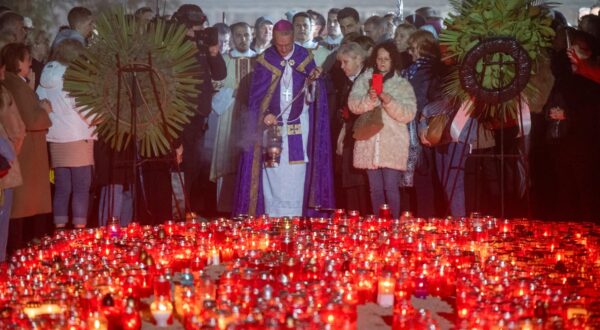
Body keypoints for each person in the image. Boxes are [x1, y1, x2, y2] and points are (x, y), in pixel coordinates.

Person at [234, 20, 334, 217]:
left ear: (293, 39)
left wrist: (313, 83)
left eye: (287, 45)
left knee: (296, 174)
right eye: (279, 45)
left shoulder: (305, 58)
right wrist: (264, 115)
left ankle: (295, 218)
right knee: (273, 171)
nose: (283, 49)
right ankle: (273, 218)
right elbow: (256, 99)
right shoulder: (266, 60)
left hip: (299, 125)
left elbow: (316, 96)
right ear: (274, 40)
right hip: (273, 129)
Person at [348, 41, 416, 218]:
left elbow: (408, 113)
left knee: (391, 187)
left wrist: (388, 100)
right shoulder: (364, 80)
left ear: (394, 60)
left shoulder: (402, 84)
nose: (383, 62)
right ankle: (378, 225)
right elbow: (353, 105)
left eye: (387, 59)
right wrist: (369, 99)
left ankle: (392, 224)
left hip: (392, 144)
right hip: (369, 143)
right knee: (375, 188)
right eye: (379, 58)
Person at [173, 4, 226, 217]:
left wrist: (213, 51)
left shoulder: (203, 45)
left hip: (199, 115)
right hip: (181, 114)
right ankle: (180, 210)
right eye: (195, 26)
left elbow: (220, 74)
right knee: (182, 164)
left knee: (196, 164)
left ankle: (190, 210)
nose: (198, 30)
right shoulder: (175, 46)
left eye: (200, 25)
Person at [36, 39, 95, 229]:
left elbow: (39, 101)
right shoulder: (72, 76)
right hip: (77, 137)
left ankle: (59, 230)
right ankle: (79, 231)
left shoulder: (46, 74)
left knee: (62, 188)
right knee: (81, 187)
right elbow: (83, 108)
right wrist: (102, 116)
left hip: (55, 137)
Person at [2, 43, 52, 250]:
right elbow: (31, 119)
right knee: (20, 210)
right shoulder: (16, 87)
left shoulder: (18, 84)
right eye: (27, 59)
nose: (31, 63)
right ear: (18, 62)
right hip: (26, 154)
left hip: (27, 152)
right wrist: (44, 110)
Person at [210, 22, 256, 213]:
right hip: (229, 117)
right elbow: (214, 88)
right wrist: (235, 92)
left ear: (251, 36)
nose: (243, 39)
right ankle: (224, 208)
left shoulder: (260, 60)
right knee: (227, 160)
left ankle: (250, 205)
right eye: (238, 35)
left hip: (253, 118)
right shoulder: (224, 60)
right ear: (232, 37)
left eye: (246, 35)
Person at [401, 30, 443, 218]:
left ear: (423, 48)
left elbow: (427, 99)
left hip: (423, 128)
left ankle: (428, 217)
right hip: (410, 128)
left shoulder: (429, 70)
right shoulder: (411, 70)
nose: (410, 52)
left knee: (424, 175)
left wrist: (422, 119)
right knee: (416, 178)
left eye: (413, 48)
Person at [335, 42, 371, 215]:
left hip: (364, 138)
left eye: (345, 62)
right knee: (350, 183)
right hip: (351, 137)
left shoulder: (368, 79)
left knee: (361, 185)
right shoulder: (348, 81)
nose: (342, 67)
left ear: (358, 59)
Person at [0, 40, 24, 262]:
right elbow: (17, 130)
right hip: (2, 169)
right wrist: (10, 157)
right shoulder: (3, 94)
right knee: (2, 220)